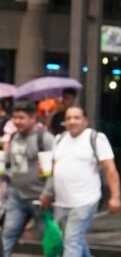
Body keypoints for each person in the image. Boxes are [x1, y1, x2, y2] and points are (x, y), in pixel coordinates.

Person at [40, 106, 121, 257]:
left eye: (77, 118)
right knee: (73, 239)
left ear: (85, 121)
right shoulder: (59, 139)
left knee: (72, 241)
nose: (72, 121)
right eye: (68, 118)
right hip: (62, 202)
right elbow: (52, 169)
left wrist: (115, 197)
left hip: (85, 200)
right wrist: (47, 192)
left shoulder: (96, 138)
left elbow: (110, 169)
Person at [2, 100, 54, 256]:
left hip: (40, 198)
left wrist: (48, 193)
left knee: (49, 239)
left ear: (33, 118)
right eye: (15, 117)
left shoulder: (45, 138)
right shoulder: (14, 137)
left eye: (21, 118)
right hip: (16, 196)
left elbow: (53, 169)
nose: (17, 121)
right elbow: (12, 164)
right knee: (7, 235)